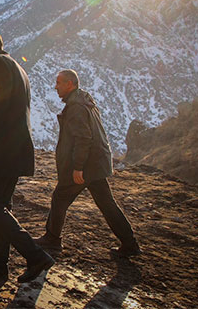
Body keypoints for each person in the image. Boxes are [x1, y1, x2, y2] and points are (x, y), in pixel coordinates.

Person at [0, 31, 54, 283]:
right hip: (15, 150)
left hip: (2, 152)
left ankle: (35, 256)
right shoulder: (16, 66)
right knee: (2, 206)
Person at [35, 69, 141, 257]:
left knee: (60, 198)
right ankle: (130, 243)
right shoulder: (85, 101)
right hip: (97, 164)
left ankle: (52, 239)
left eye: (59, 83)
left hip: (87, 166)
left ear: (70, 84)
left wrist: (78, 167)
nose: (55, 87)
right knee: (106, 203)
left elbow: (83, 138)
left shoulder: (76, 107)